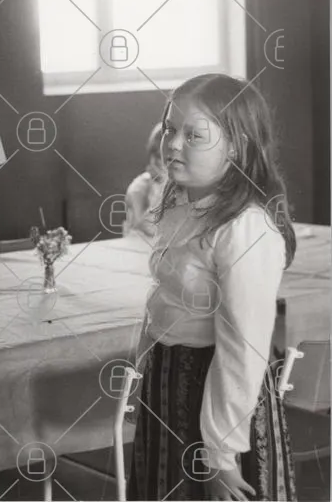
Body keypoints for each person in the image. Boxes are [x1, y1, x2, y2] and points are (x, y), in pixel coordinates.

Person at [128, 74, 297, 501]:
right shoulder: (178, 201)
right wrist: (143, 371)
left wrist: (221, 455)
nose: (172, 144)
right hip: (168, 384)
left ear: (236, 145)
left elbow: (242, 348)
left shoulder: (246, 229)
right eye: (170, 129)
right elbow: (162, 301)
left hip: (218, 402)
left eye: (193, 135)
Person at [123, 123, 166, 238]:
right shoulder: (139, 187)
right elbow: (149, 227)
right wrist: (162, 184)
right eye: (157, 156)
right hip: (140, 243)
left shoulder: (183, 187)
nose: (160, 162)